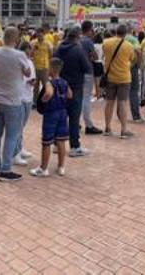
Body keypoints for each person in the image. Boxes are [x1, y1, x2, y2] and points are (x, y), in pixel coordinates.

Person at [0, 27, 31, 182]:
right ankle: (6, 169)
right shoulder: (20, 55)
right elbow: (28, 73)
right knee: (12, 135)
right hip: (12, 101)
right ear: (16, 39)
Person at [30, 58, 70, 177]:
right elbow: (70, 94)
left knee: (46, 142)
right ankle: (61, 167)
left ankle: (44, 168)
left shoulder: (49, 83)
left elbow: (48, 93)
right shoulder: (64, 82)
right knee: (61, 140)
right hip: (62, 112)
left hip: (51, 113)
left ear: (51, 69)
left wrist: (43, 100)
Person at [55, 26, 91, 157]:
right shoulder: (78, 50)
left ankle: (56, 143)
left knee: (60, 115)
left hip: (60, 86)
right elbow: (87, 68)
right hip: (75, 86)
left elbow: (54, 64)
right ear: (77, 37)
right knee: (74, 117)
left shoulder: (59, 48)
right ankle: (74, 146)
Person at [102, 25, 137, 139]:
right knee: (122, 103)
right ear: (125, 33)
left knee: (109, 102)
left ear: (116, 32)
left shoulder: (106, 43)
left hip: (110, 77)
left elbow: (104, 55)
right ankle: (123, 130)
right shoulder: (129, 46)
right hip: (124, 78)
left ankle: (107, 127)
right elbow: (132, 59)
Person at [13, 41, 36, 166]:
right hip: (20, 97)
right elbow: (26, 78)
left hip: (28, 96)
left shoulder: (30, 62)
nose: (31, 51)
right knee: (17, 127)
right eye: (29, 48)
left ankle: (20, 148)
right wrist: (31, 81)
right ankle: (15, 154)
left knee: (22, 126)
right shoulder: (19, 62)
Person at [79, 21, 101, 135]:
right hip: (87, 71)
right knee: (86, 98)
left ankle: (76, 122)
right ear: (90, 29)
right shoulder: (88, 41)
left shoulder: (77, 39)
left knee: (78, 97)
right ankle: (88, 124)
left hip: (77, 72)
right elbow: (95, 56)